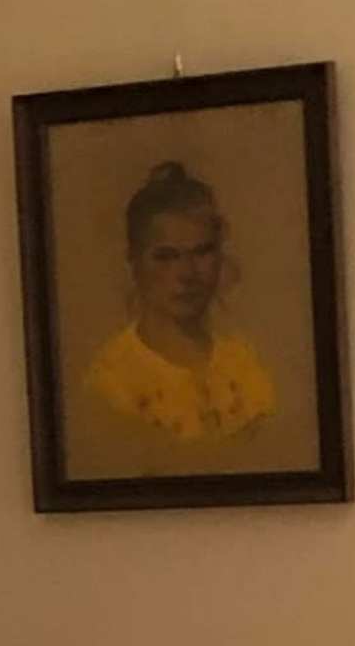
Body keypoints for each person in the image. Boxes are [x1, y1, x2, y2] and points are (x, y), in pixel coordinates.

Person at [80, 157, 277, 449]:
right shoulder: (111, 382)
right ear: (134, 262)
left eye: (202, 252)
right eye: (166, 256)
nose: (186, 274)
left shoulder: (244, 365)